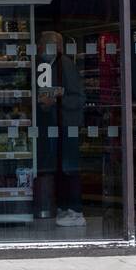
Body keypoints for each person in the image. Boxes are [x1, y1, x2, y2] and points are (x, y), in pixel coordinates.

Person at [36, 31, 86, 228]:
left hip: (67, 125)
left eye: (42, 45)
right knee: (60, 167)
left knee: (69, 167)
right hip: (56, 125)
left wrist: (56, 100)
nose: (39, 49)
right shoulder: (49, 66)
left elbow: (79, 98)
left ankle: (75, 209)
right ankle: (65, 207)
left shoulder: (64, 65)